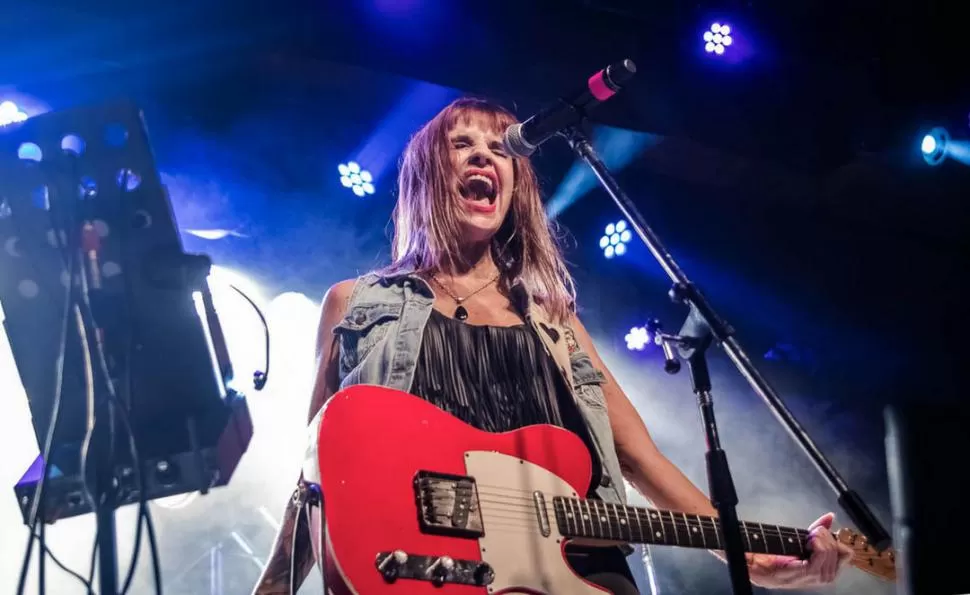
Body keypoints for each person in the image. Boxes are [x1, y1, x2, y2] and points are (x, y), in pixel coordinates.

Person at [251, 97, 853, 594]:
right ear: (426, 174)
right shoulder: (357, 303)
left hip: (576, 575)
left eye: (500, 147)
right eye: (463, 145)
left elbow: (642, 460)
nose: (486, 155)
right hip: (420, 572)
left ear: (516, 184)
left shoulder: (553, 322)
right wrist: (275, 588)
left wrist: (749, 556)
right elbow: (317, 477)